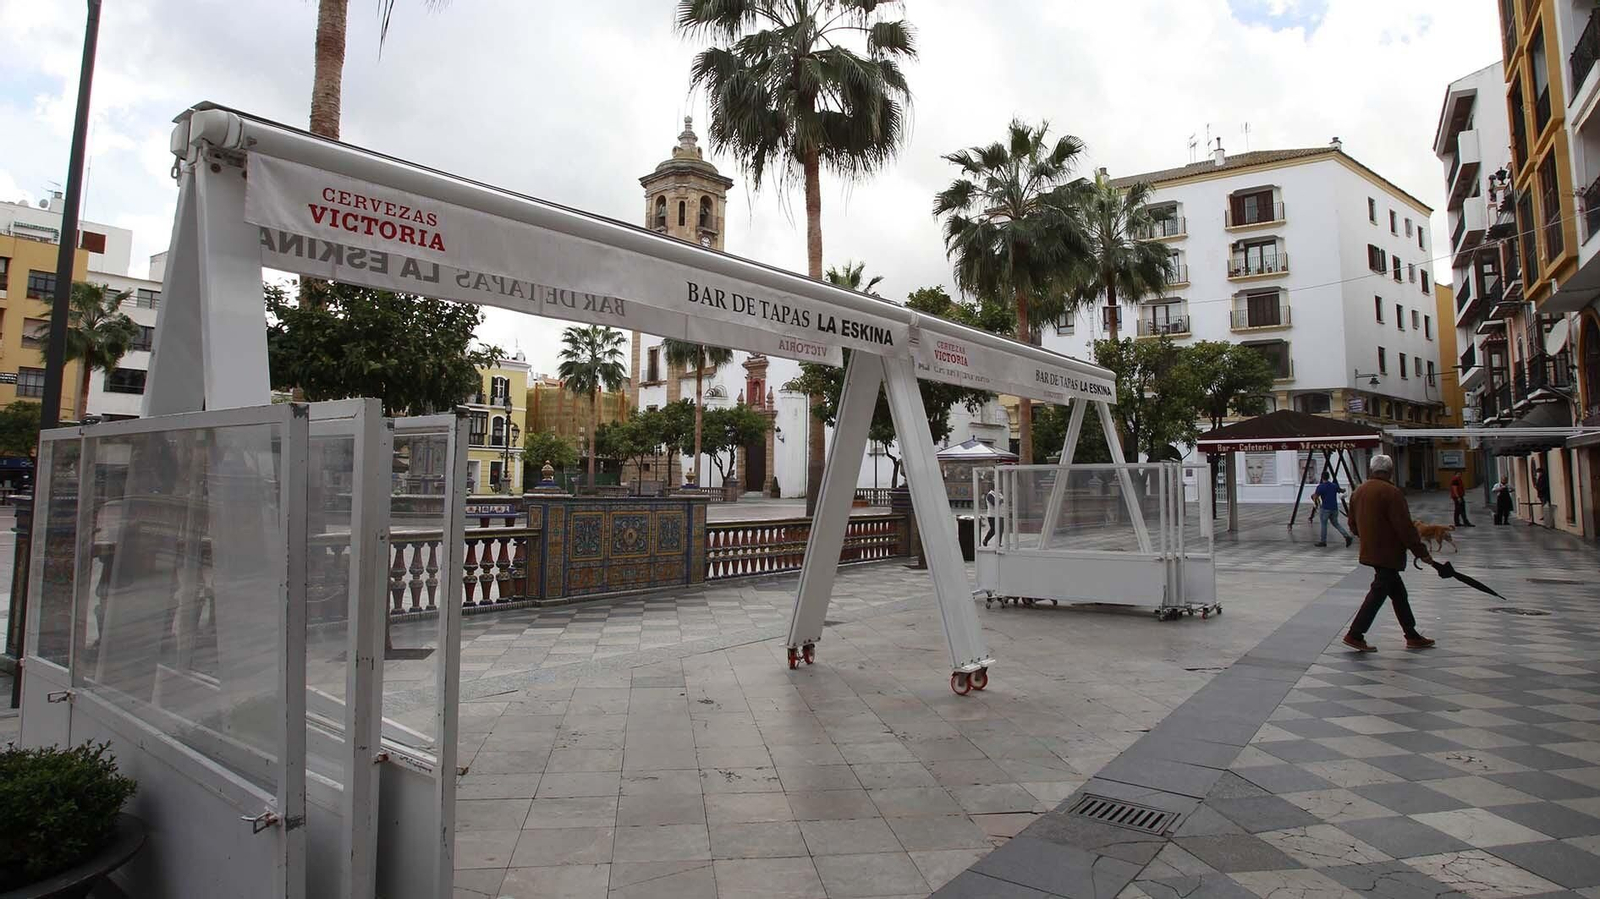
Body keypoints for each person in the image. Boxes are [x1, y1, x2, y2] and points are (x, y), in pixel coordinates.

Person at [1345, 454, 1435, 652]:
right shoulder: (1392, 493)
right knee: (1378, 592)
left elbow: (1352, 525)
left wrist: (1368, 536)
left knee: (1398, 593)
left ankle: (1412, 635)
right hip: (1389, 554)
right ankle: (1355, 634)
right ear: (1390, 471)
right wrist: (1421, 552)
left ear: (1371, 470)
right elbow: (1405, 527)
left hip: (1371, 550)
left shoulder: (1358, 491)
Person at [1312, 473, 1352, 548]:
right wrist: (1344, 490)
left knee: (1324, 525)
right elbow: (1341, 491)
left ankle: (1323, 541)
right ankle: (1347, 536)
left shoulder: (1320, 487)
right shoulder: (1334, 485)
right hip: (1334, 508)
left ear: (1322, 478)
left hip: (1325, 509)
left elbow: (1316, 496)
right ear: (1329, 477)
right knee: (1336, 523)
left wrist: (1314, 501)